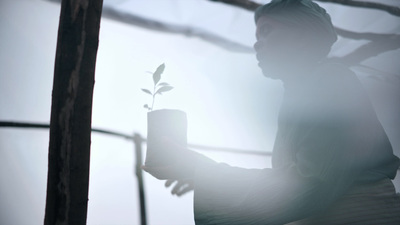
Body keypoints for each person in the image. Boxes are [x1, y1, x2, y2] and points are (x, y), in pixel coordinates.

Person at [143, 0, 400, 224]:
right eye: (257, 37)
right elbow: (296, 180)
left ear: (304, 35)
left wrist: (204, 171)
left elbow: (311, 183)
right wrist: (204, 176)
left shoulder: (330, 81)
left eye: (267, 32)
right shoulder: (301, 91)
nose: (258, 45)